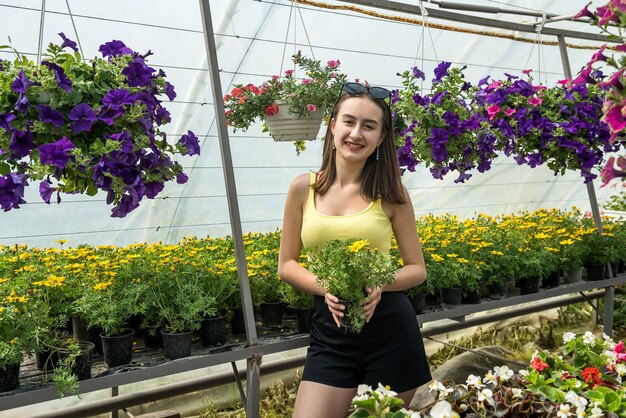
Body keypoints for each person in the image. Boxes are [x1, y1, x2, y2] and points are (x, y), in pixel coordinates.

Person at [277, 82, 431, 418]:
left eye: (369, 126)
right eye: (349, 121)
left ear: (381, 137)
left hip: (390, 330)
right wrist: (326, 286)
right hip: (331, 333)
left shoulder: (391, 192)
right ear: (332, 125)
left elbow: (416, 268)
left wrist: (381, 282)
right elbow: (287, 264)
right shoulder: (304, 188)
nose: (356, 133)